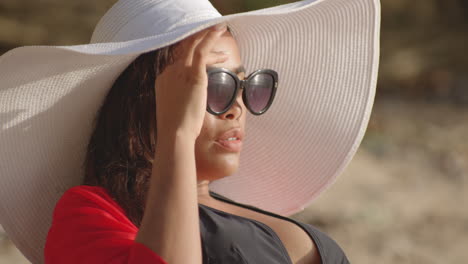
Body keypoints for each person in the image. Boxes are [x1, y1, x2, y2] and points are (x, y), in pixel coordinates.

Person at [0, 0, 381, 263]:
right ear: (147, 101)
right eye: (215, 85)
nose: (238, 108)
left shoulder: (229, 208)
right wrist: (176, 136)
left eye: (247, 86)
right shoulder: (88, 213)